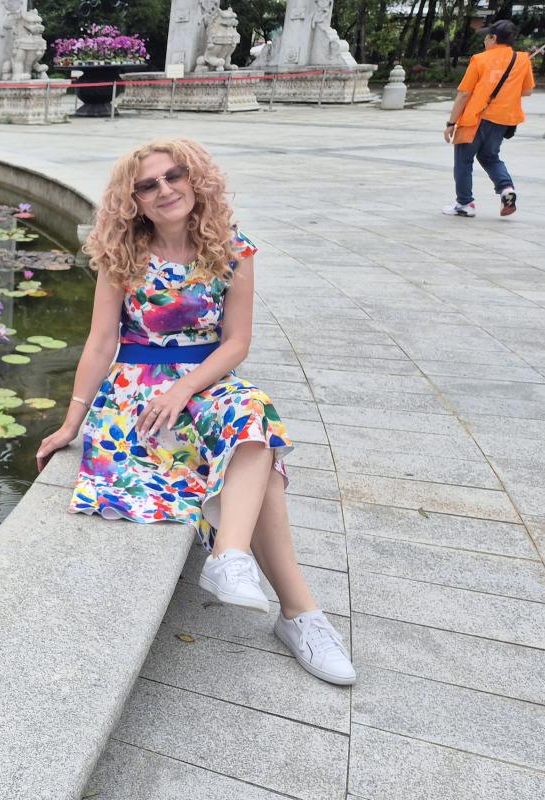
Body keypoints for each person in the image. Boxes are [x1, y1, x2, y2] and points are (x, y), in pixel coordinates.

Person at [35, 139, 355, 686]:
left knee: (252, 412)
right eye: (148, 185)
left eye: (174, 176)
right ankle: (300, 614)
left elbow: (236, 343)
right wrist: (72, 421)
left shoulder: (231, 249)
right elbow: (100, 342)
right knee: (260, 459)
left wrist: (184, 389)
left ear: (195, 179)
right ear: (133, 200)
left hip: (202, 385)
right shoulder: (123, 256)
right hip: (138, 398)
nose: (164, 189)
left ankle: (230, 558)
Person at [443, 19, 536, 218]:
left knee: (463, 160)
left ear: (493, 38)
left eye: (486, 36)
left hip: (476, 118)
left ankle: (464, 203)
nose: (484, 40)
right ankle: (506, 189)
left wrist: (451, 123)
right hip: (503, 119)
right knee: (489, 156)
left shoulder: (479, 59)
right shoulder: (522, 60)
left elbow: (464, 94)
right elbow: (527, 91)